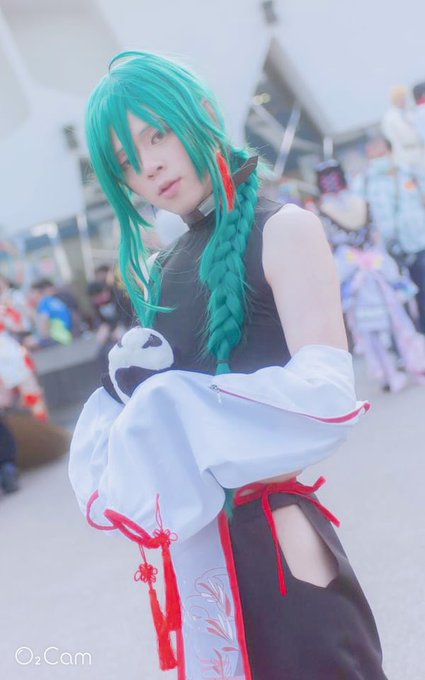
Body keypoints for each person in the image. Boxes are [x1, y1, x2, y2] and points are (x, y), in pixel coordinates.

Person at [69, 51, 387, 679]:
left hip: (277, 549)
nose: (149, 165)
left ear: (202, 113)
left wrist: (178, 408)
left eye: (157, 134)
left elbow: (326, 395)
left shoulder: (286, 228)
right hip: (200, 568)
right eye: (127, 161)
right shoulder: (160, 270)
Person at [353, 137, 425, 334]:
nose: (378, 159)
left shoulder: (410, 173)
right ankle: (408, 339)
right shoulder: (363, 182)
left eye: (381, 153)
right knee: (397, 297)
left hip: (418, 242)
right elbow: (357, 214)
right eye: (373, 155)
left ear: (390, 152)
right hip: (385, 250)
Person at [381, 85, 424, 169]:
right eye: (402, 98)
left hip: (418, 152)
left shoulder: (408, 113)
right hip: (405, 155)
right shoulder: (390, 117)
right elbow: (396, 139)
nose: (404, 100)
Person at [27, 278, 73, 348]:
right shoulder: (53, 301)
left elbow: (44, 329)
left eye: (32, 292)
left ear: (38, 292)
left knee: (29, 343)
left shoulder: (44, 303)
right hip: (67, 337)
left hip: (57, 339)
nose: (30, 296)